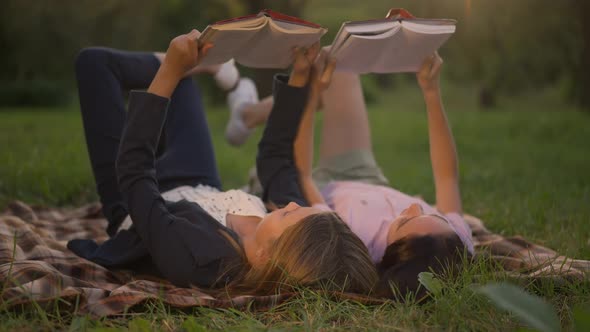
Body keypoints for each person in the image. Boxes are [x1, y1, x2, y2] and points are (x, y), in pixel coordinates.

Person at [67, 30, 378, 295]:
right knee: (183, 80)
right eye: (302, 209)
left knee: (94, 63)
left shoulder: (204, 260)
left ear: (263, 256)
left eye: (289, 215)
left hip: (135, 198)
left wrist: (170, 71)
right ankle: (216, 74)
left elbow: (134, 175)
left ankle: (212, 72)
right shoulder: (290, 231)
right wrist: (298, 77)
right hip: (198, 178)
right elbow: (276, 157)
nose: (294, 204)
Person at [231, 52, 474, 300]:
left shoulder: (355, 240)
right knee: (339, 64)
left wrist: (313, 92)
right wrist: (432, 92)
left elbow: (303, 174)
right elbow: (447, 179)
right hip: (366, 176)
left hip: (320, 185)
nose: (414, 205)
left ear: (387, 253)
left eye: (404, 221)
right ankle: (248, 115)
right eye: (432, 214)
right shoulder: (454, 241)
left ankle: (249, 121)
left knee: (318, 72)